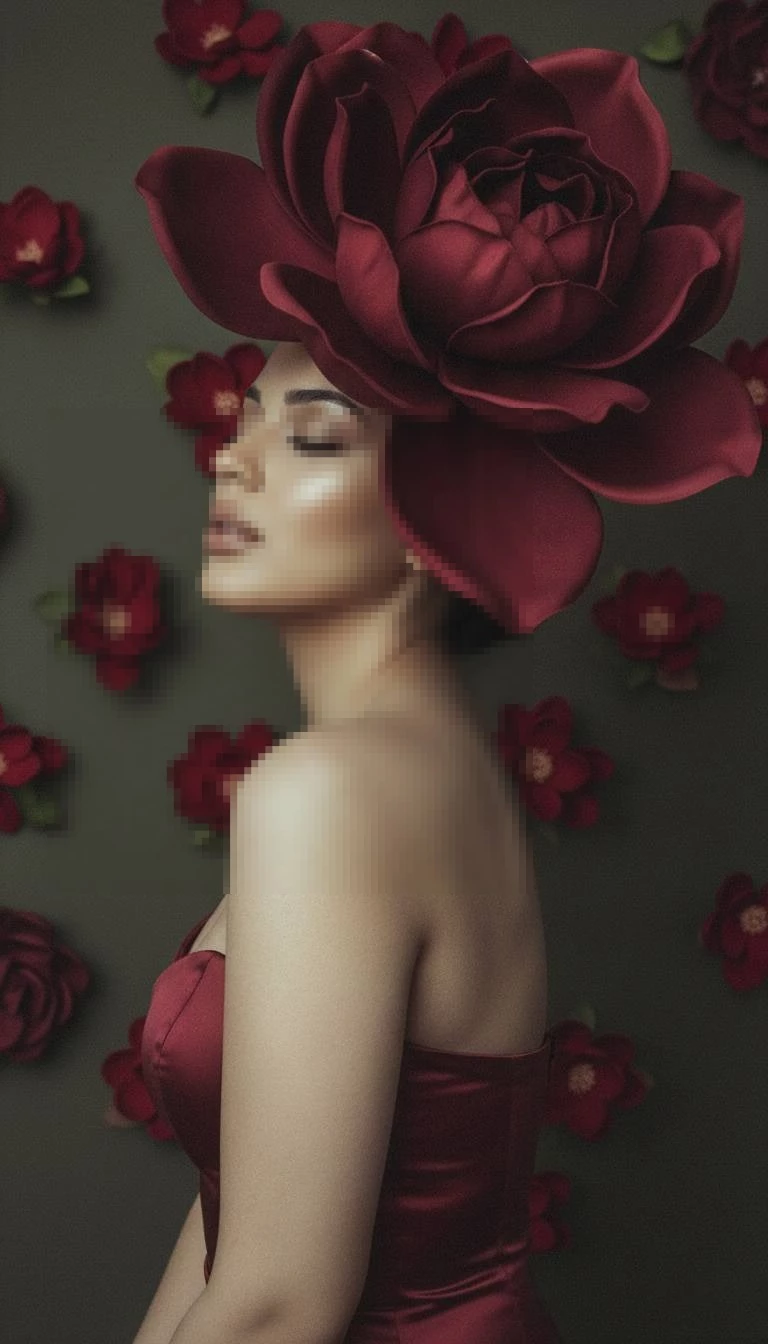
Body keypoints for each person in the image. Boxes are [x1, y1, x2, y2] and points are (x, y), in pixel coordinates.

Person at [133, 18, 761, 1344]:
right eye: (242, 419)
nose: (230, 464)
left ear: (442, 494)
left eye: (306, 433)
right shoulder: (425, 770)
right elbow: (246, 1225)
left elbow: (282, 1300)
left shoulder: (333, 791)